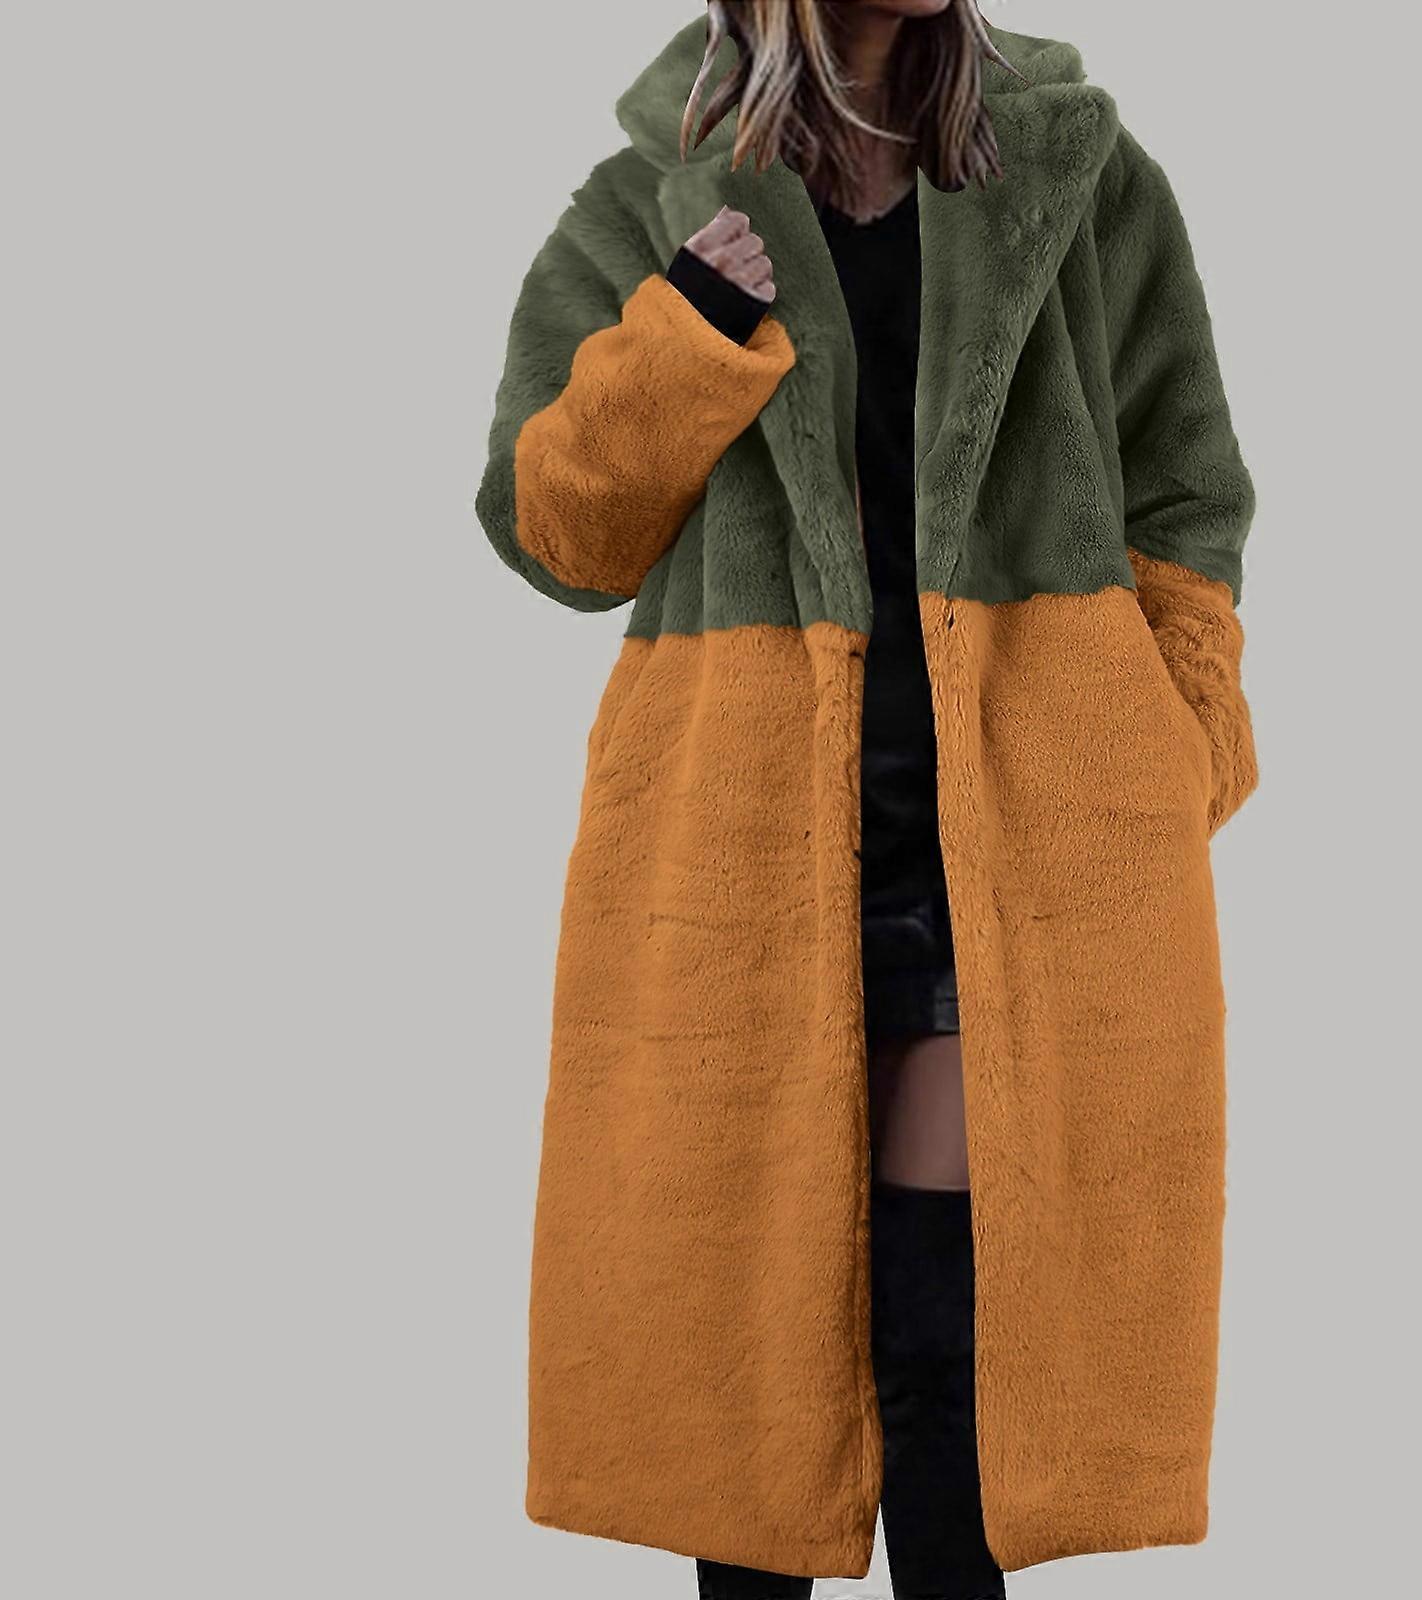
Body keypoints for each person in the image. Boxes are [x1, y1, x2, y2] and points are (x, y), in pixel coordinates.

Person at [473, 4, 1258, 1597]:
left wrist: (1174, 742)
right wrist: (686, 329)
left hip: (1022, 850)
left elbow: (1187, 490)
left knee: (956, 1359)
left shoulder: (1080, 177)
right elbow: (557, 533)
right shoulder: (652, 199)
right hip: (750, 855)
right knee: (747, 1385)